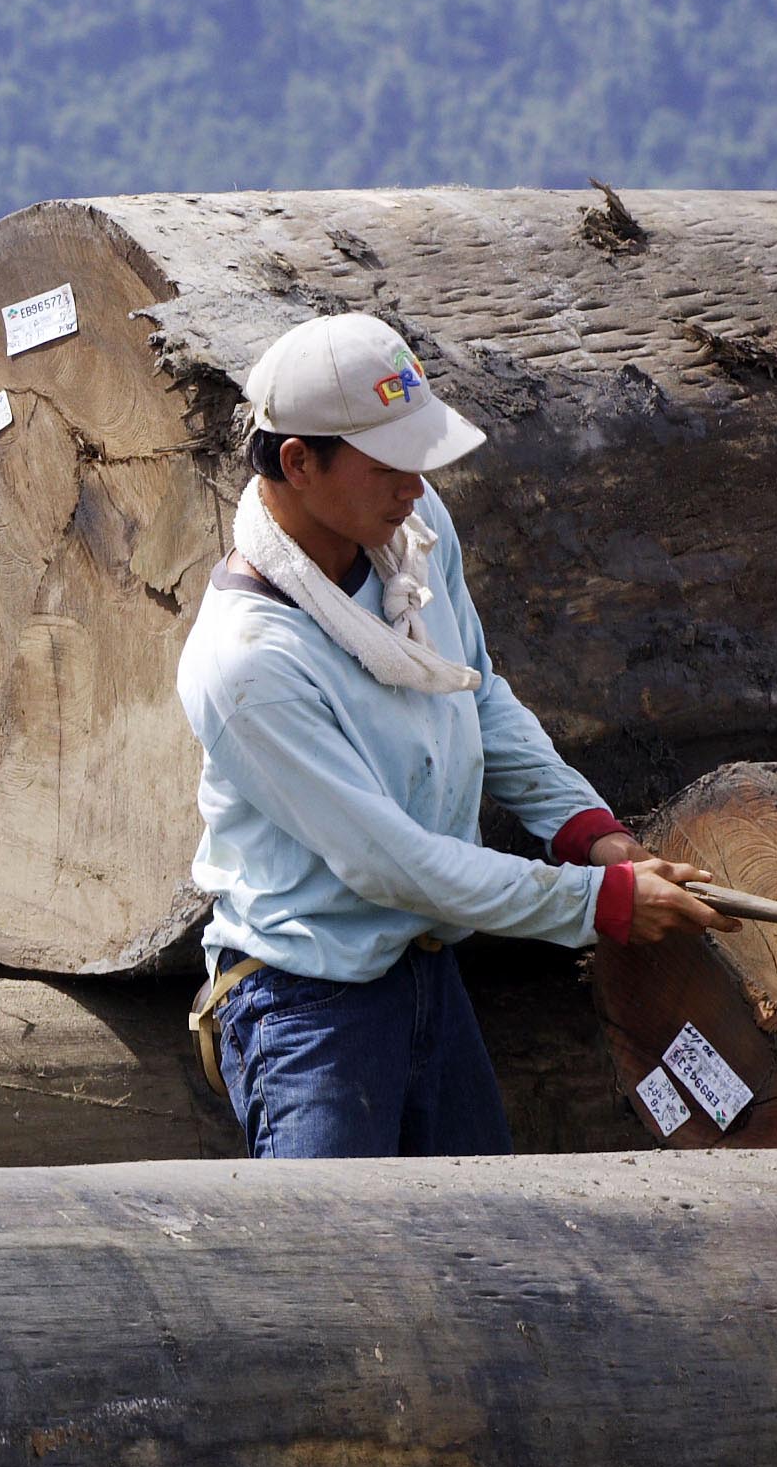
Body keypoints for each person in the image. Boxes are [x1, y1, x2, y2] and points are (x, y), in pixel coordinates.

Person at [177, 313, 727, 1159]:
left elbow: (474, 687)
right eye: (389, 463)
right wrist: (597, 904)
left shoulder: (407, 526)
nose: (415, 482)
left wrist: (588, 832)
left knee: (481, 1251)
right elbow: (392, 864)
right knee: (336, 1271)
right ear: (298, 461)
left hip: (425, 969)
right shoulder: (248, 662)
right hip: (307, 1006)